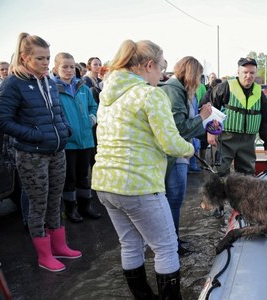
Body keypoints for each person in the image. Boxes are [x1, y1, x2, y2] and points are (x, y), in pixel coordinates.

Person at [92, 39, 194, 299]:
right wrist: (190, 149)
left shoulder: (108, 96)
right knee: (166, 247)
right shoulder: (151, 94)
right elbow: (171, 143)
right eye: (161, 67)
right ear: (148, 65)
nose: (162, 75)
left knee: (130, 244)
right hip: (138, 184)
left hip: (105, 183)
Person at [0, 32, 80, 272]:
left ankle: (59, 246)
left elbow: (57, 111)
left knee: (56, 200)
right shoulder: (13, 84)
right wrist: (37, 135)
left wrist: (65, 130)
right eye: (41, 58)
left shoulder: (48, 81)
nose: (46, 63)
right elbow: (4, 121)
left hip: (57, 150)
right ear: (25, 58)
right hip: (32, 155)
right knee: (38, 204)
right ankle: (44, 256)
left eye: (48, 58)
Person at [158, 56, 213, 256]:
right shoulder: (174, 91)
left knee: (174, 199)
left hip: (179, 153)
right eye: (198, 76)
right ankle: (171, 244)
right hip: (173, 154)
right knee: (173, 198)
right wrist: (202, 117)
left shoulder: (182, 91)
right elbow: (179, 128)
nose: (199, 81)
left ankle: (173, 239)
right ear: (190, 74)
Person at [206, 57, 267, 176]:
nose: (249, 76)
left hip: (248, 141)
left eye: (252, 73)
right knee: (220, 172)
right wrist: (210, 131)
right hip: (225, 138)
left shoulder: (259, 93)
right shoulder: (225, 87)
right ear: (238, 72)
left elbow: (265, 119)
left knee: (247, 174)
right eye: (245, 72)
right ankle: (220, 195)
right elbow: (209, 109)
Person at [53, 52, 100, 223]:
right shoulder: (53, 89)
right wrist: (65, 130)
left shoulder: (83, 88)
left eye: (72, 66)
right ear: (56, 69)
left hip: (86, 139)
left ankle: (85, 206)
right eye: (64, 66)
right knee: (69, 177)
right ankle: (70, 209)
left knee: (84, 175)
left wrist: (92, 119)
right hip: (68, 143)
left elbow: (93, 106)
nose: (69, 70)